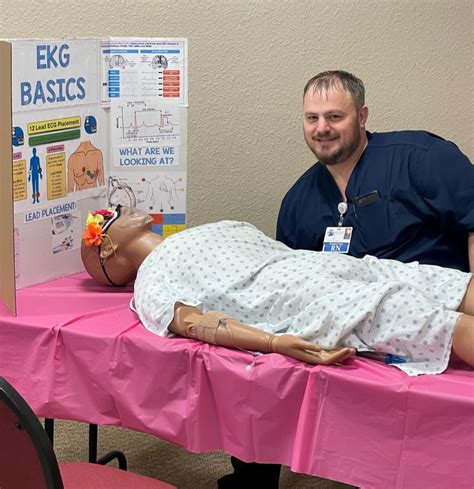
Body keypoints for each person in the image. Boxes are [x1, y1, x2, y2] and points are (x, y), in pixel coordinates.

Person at [233, 70, 474, 488]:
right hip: (351, 332)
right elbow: (291, 280)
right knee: (251, 374)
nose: (322, 129)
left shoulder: (420, 157)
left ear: (362, 116)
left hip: (434, 312)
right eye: (312, 119)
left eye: (334, 116)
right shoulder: (299, 202)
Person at [81, 205, 474, 376]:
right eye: (110, 215)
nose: (121, 207)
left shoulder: (208, 229)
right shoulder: (152, 280)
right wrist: (274, 342)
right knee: (430, 320)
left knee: (446, 282)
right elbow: (194, 323)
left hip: (332, 264)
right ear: (107, 248)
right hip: (311, 300)